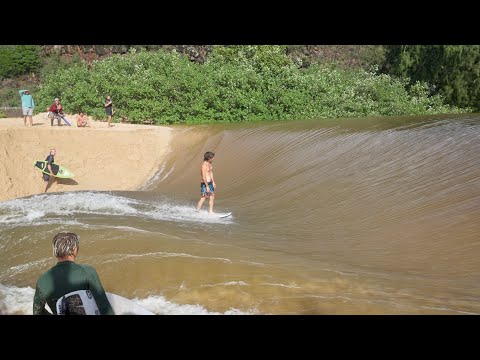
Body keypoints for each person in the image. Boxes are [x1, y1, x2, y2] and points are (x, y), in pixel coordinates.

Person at [33, 232, 114, 315]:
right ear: (75, 249)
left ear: (55, 251)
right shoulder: (88, 272)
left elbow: (37, 312)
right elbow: (104, 306)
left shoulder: (42, 280)